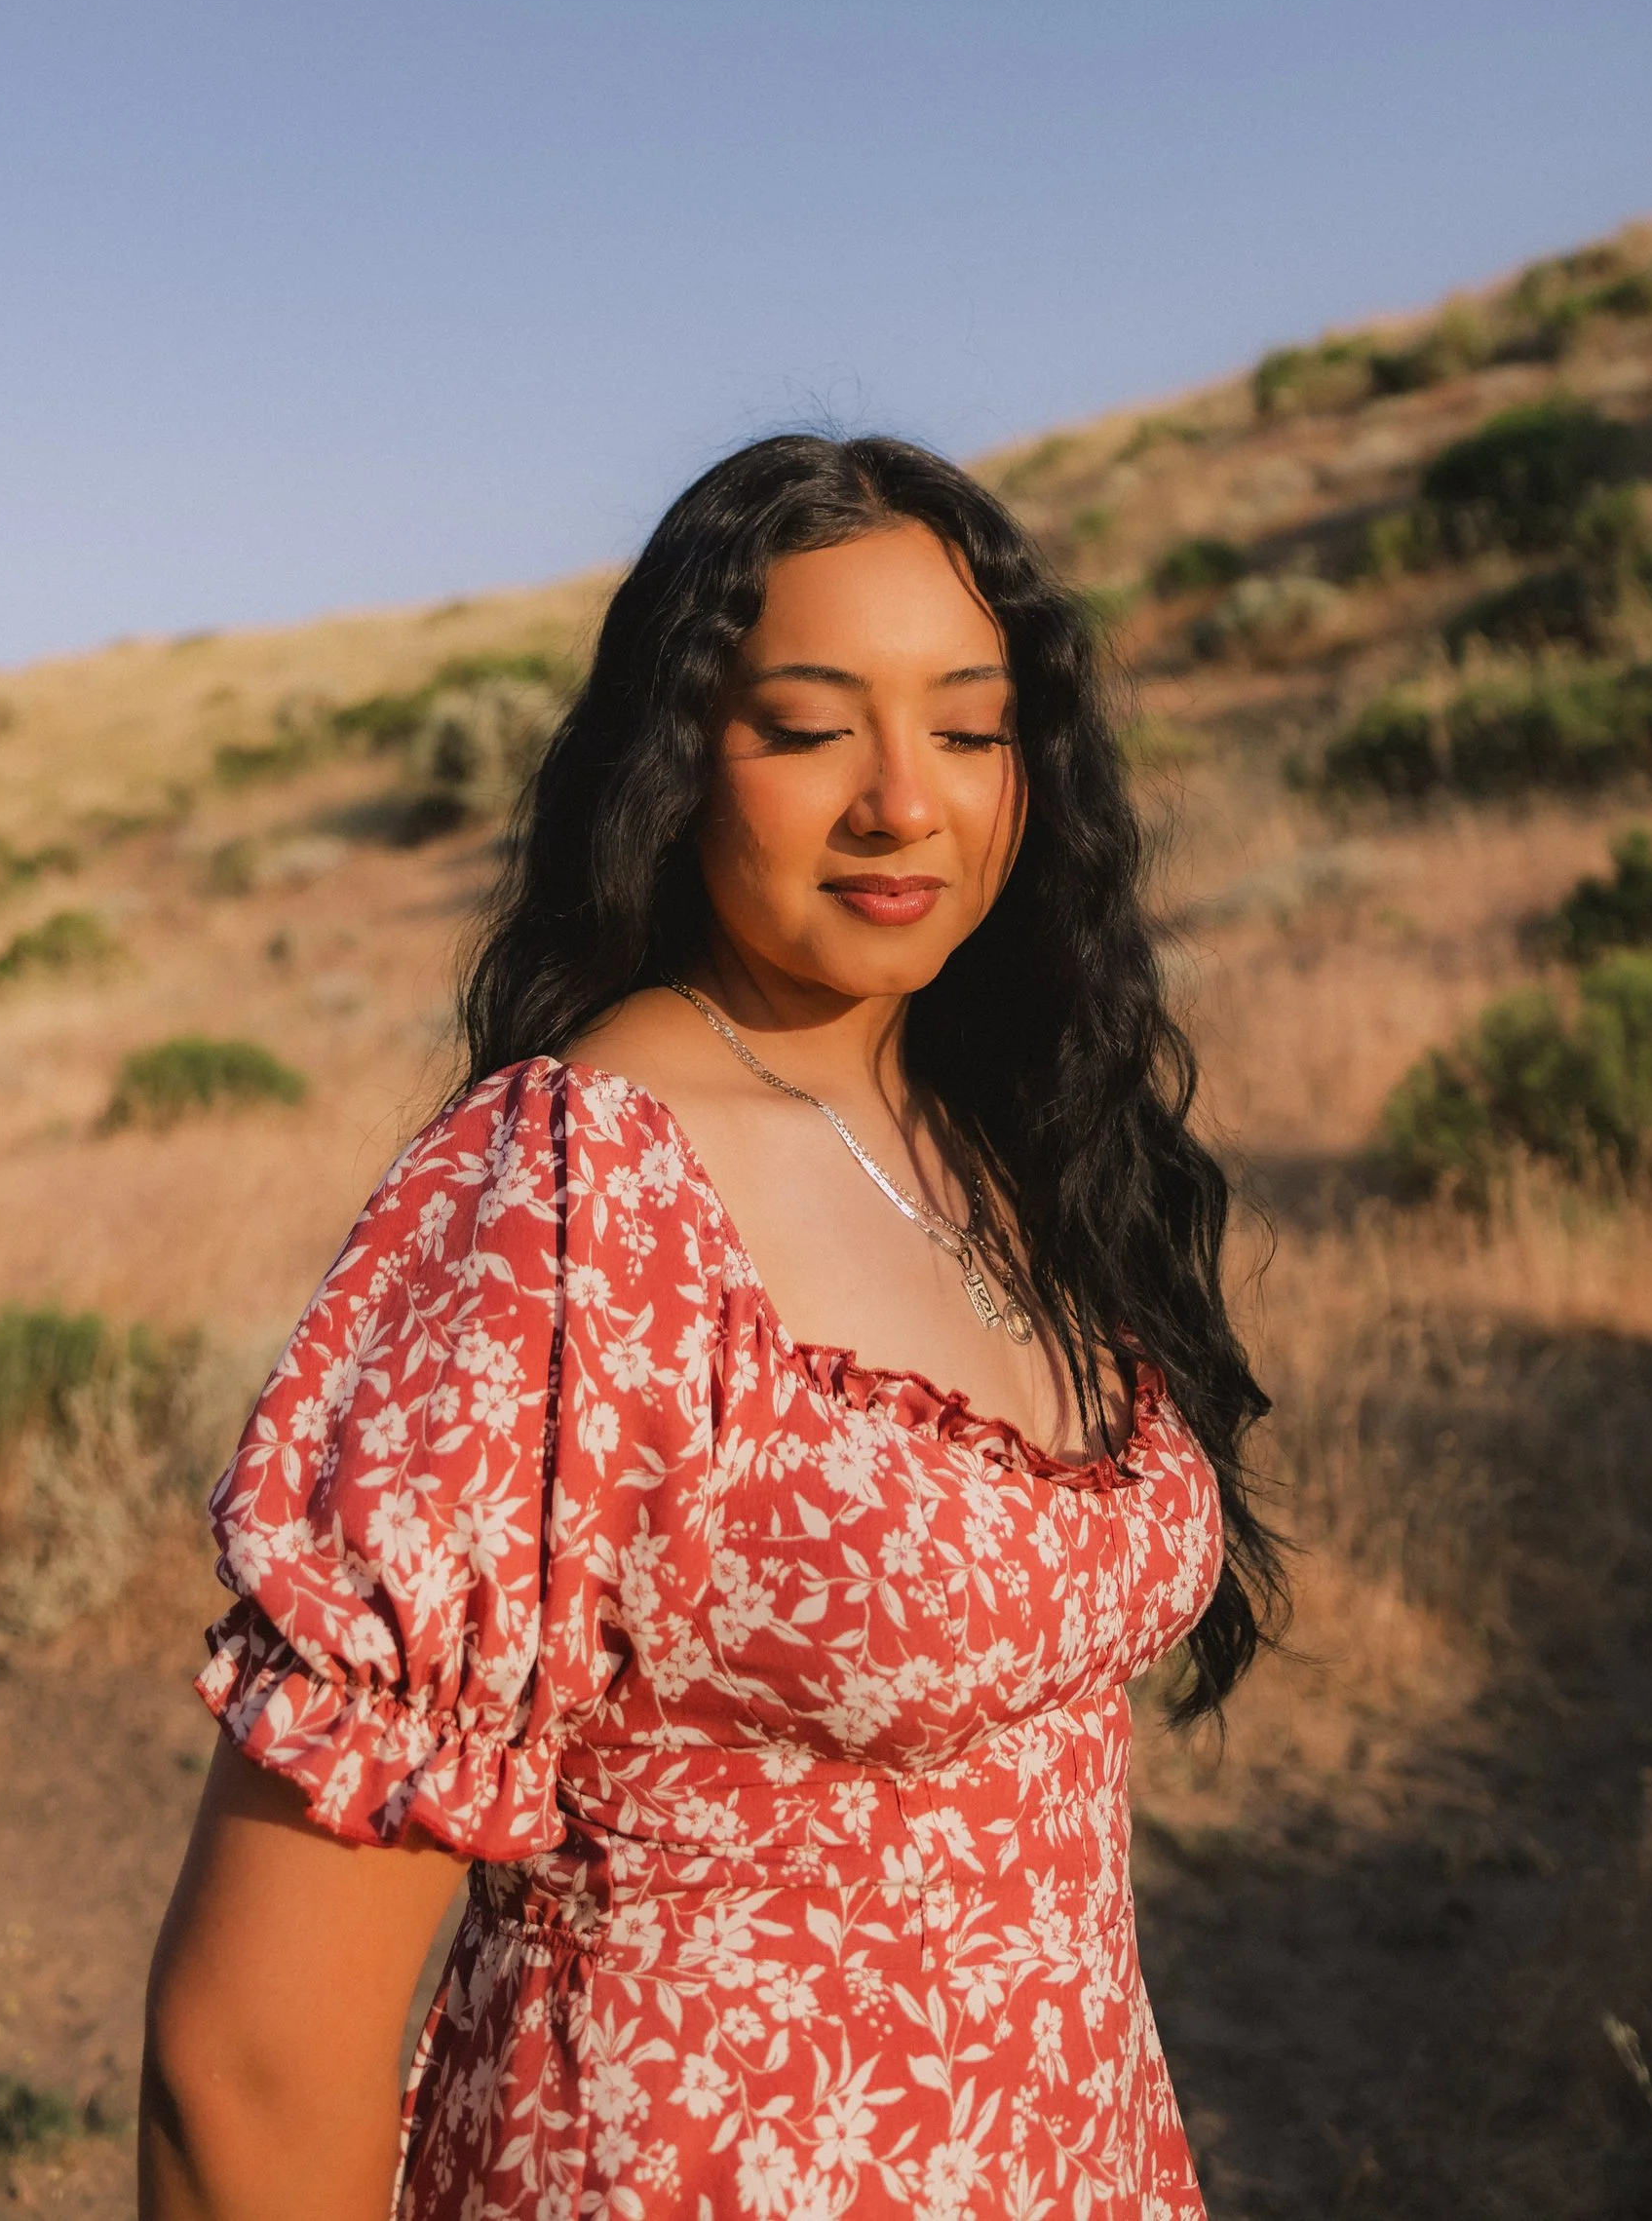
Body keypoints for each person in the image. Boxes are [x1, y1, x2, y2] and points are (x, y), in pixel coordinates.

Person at [139, 434, 1279, 2220]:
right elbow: (251, 2061)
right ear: (678, 768)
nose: (905, 800)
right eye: (810, 727)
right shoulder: (576, 1201)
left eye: (968, 729)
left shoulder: (1003, 1139)